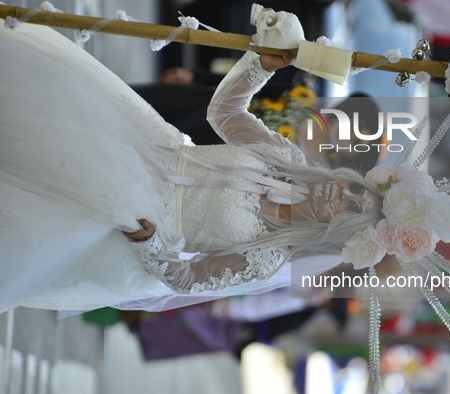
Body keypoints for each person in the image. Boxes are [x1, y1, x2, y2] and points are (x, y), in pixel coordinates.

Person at [0, 21, 383, 314]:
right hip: (134, 142)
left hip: (123, 218)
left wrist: (151, 245)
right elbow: (225, 112)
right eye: (355, 189)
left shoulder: (268, 258)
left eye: (351, 208)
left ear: (338, 230)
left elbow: (187, 279)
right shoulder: (288, 159)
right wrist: (259, 67)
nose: (343, 193)